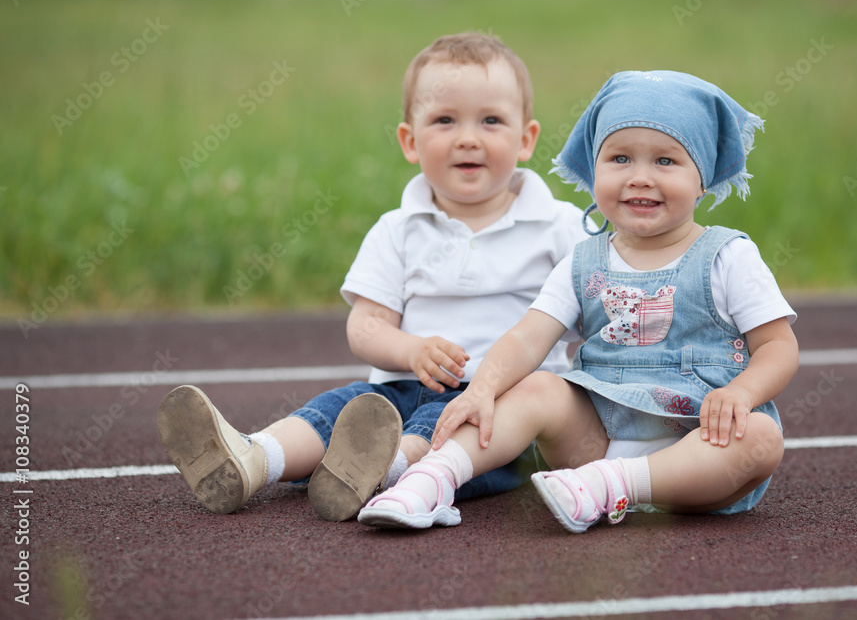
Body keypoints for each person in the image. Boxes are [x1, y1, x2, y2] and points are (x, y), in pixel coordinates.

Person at [157, 32, 589, 519]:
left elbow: (597, 311)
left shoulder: (560, 227)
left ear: (526, 139)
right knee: (333, 411)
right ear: (409, 141)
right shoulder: (397, 229)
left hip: (497, 406)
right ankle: (253, 458)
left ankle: (384, 472)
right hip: (393, 390)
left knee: (441, 433)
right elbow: (365, 327)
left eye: (491, 120)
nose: (468, 138)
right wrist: (412, 350)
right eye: (444, 120)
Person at [358, 70, 799, 532]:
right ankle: (431, 479)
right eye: (619, 158)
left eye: (666, 161)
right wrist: (483, 388)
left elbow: (777, 346)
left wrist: (742, 393)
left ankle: (614, 484)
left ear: (703, 178)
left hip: (700, 450)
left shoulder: (727, 256)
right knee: (537, 387)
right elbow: (529, 337)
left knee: (762, 437)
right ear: (594, 170)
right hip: (595, 440)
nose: (640, 178)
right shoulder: (583, 261)